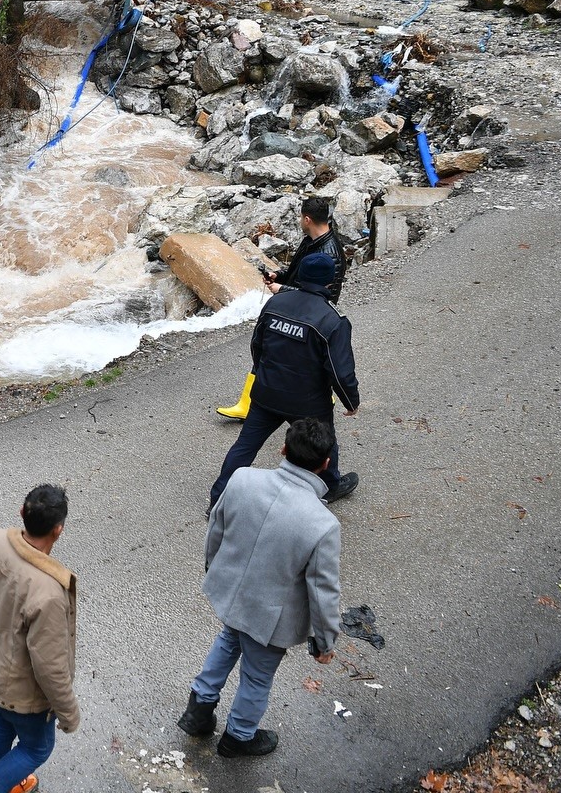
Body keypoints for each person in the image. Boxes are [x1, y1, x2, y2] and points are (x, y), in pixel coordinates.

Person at [179, 419, 342, 757]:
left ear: (282, 448)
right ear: (325, 464)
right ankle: (238, 737)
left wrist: (214, 569)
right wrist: (325, 641)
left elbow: (216, 529)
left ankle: (198, 711)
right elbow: (322, 591)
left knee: (227, 640)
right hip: (272, 618)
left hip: (234, 593)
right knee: (256, 677)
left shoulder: (242, 480)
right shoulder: (322, 524)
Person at [209, 252, 360, 511]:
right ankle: (330, 485)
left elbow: (257, 344)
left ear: (300, 275)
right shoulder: (332, 319)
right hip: (308, 401)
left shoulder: (275, 303)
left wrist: (263, 372)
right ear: (329, 281)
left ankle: (219, 500)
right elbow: (339, 370)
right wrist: (351, 401)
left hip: (267, 392)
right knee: (325, 439)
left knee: (245, 446)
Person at [0, 485, 79, 793]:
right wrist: (68, 712)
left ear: (22, 513)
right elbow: (49, 666)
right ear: (58, 530)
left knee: (1, 724)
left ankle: (2, 782)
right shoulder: (49, 591)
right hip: (22, 691)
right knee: (37, 748)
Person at [217, 196, 348, 419]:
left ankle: (254, 405)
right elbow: (299, 271)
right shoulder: (310, 240)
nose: (299, 221)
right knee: (274, 351)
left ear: (307, 219)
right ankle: (248, 403)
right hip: (295, 308)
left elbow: (326, 298)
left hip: (309, 318)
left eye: (300, 217)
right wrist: (279, 275)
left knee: (280, 352)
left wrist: (281, 290)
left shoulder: (331, 255)